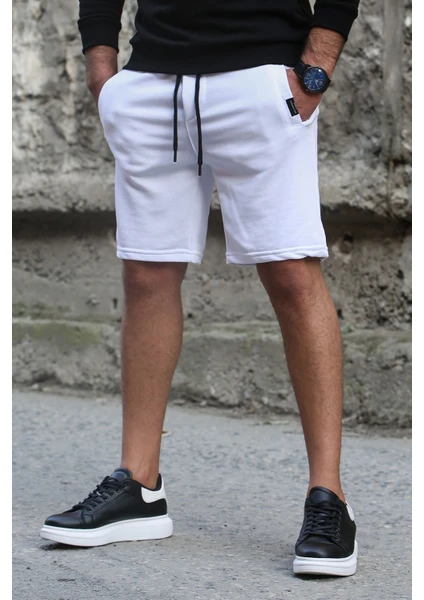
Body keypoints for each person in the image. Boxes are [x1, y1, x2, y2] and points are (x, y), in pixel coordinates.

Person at [40, 0, 360, 577]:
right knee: (146, 272)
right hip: (151, 81)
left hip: (263, 77)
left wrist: (318, 64)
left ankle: (328, 497)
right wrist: (101, 67)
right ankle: (139, 485)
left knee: (291, 271)